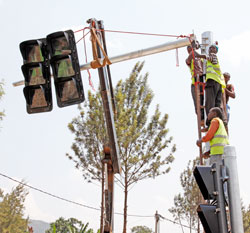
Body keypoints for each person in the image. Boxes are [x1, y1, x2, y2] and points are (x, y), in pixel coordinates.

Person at [204, 44, 226, 124]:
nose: (210, 49)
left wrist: (199, 55)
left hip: (212, 81)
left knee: (210, 103)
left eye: (213, 48)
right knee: (217, 104)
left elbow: (209, 58)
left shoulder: (212, 56)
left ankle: (210, 121)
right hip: (219, 83)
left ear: (216, 51)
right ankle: (221, 120)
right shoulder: (215, 59)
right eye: (210, 48)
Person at [186, 45, 207, 126]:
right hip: (195, 81)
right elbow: (192, 54)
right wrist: (194, 48)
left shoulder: (201, 58)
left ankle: (205, 118)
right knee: (197, 103)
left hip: (202, 79)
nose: (190, 51)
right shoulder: (189, 59)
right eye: (189, 50)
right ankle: (201, 119)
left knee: (204, 100)